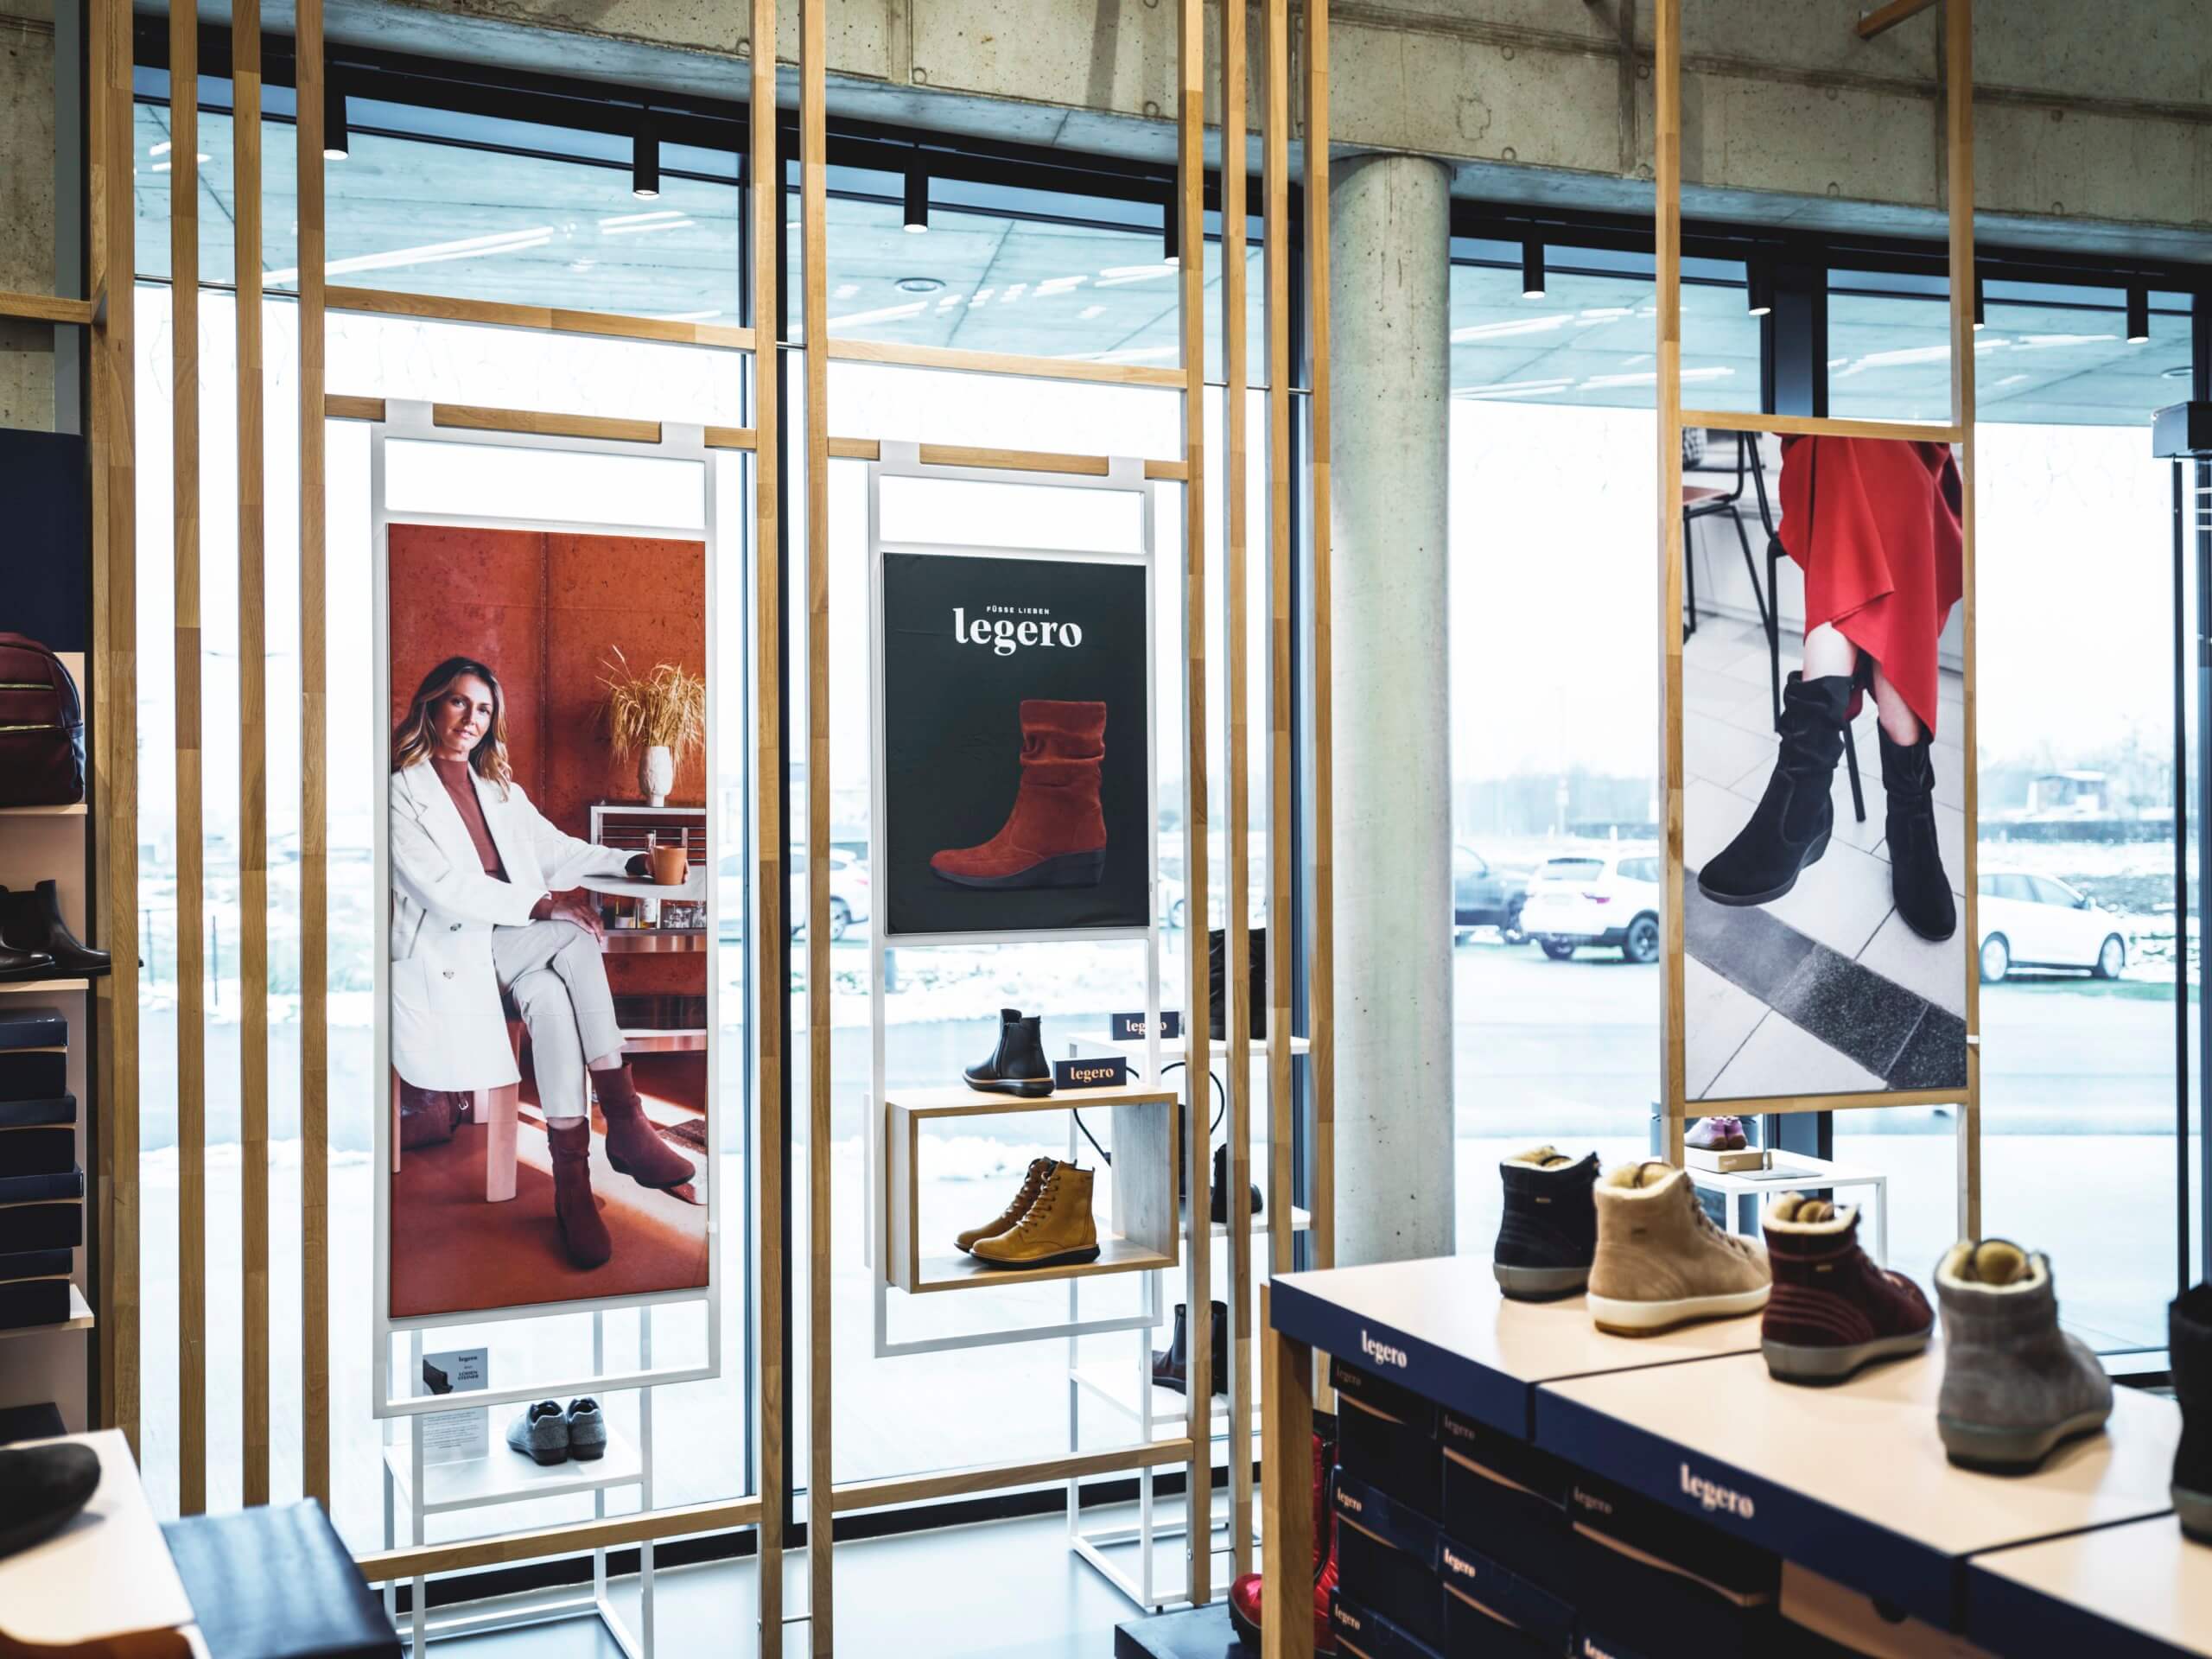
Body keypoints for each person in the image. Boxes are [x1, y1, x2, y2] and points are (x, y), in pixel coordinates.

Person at [389, 655, 696, 1268]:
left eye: (483, 709)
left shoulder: (499, 787)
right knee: (576, 937)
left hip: (516, 944)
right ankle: (626, 1123)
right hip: (454, 948)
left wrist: (627, 863)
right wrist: (545, 905)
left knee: (554, 1001)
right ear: (431, 704)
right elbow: (441, 887)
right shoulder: (399, 790)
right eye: (458, 702)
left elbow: (554, 850)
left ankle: (571, 1186)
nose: (471, 719)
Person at [1698, 436, 1961, 944]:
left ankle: (1804, 793)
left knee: (1876, 463)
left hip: (1914, 455)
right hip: (1820, 452)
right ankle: (1910, 825)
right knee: (1843, 450)